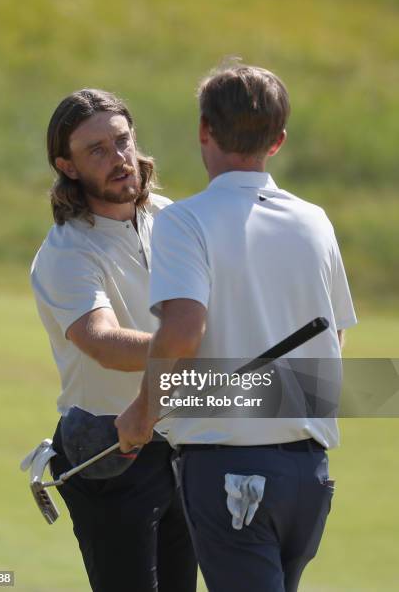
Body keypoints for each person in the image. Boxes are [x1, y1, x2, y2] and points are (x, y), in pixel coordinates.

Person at [116, 64, 357, 592]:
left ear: (204, 129)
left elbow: (182, 330)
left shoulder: (184, 220)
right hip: (309, 474)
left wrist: (143, 410)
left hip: (231, 474)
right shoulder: (315, 219)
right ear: (279, 140)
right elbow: (333, 341)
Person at [30, 88, 197, 592]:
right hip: (109, 452)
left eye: (122, 141)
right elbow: (100, 340)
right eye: (96, 150)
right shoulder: (65, 252)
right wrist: (191, 352)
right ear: (68, 166)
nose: (118, 158)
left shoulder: (174, 220)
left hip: (184, 442)